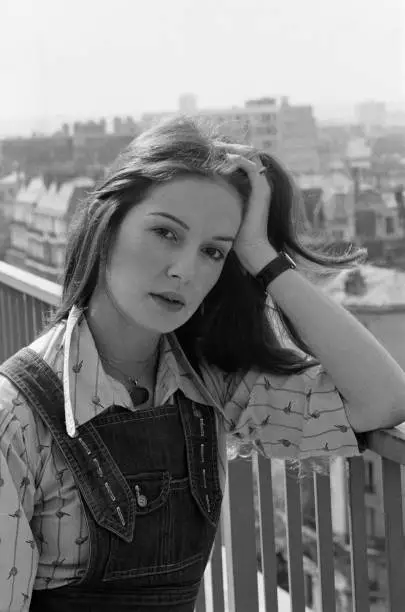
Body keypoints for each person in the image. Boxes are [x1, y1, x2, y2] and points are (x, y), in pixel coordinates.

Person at [1, 116, 405, 612]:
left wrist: (261, 255)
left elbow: (381, 399)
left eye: (214, 251)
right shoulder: (16, 420)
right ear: (107, 226)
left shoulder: (204, 386)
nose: (184, 271)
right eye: (166, 233)